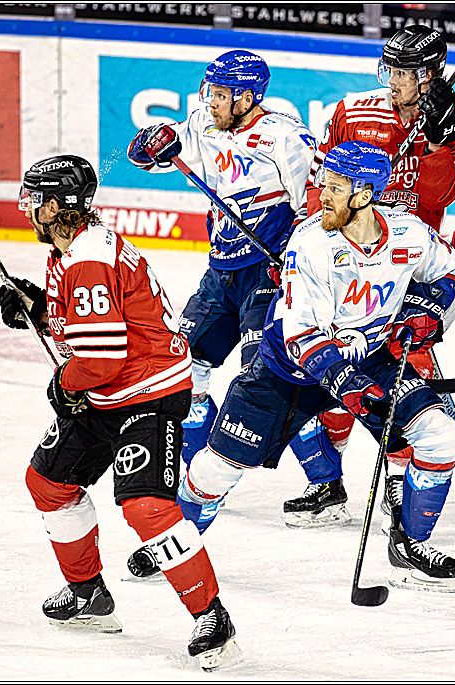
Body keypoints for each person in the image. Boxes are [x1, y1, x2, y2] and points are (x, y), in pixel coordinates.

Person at [177, 141, 455, 591]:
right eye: (323, 183)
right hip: (288, 372)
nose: (321, 194)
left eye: (334, 187)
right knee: (217, 469)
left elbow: (448, 271)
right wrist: (345, 380)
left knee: (439, 435)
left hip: (372, 359)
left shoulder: (409, 234)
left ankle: (409, 544)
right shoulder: (310, 243)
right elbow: (299, 336)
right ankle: (176, 544)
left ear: (365, 195)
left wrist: (426, 308)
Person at [0, 155, 240, 670]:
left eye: (36, 201)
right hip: (112, 392)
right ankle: (88, 595)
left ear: (59, 205)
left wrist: (64, 385)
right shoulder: (71, 251)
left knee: (145, 506)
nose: (29, 211)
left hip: (148, 392)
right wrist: (37, 307)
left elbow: (101, 359)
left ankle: (212, 617)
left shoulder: (86, 258)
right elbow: (87, 326)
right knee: (49, 483)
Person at [283, 24, 455, 529]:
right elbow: (319, 184)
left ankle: (397, 485)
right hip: (344, 259)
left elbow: (439, 199)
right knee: (331, 369)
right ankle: (327, 484)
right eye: (387, 67)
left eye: (404, 71)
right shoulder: (354, 109)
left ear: (430, 75)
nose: (391, 80)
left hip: (405, 268)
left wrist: (439, 144)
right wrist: (314, 240)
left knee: (397, 383)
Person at [127, 49, 317, 471]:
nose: (209, 100)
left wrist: (294, 260)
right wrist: (150, 144)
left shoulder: (286, 136)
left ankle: (324, 481)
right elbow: (149, 158)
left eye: (220, 93)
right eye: (208, 90)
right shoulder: (202, 124)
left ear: (247, 97)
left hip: (267, 273)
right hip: (221, 272)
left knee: (264, 379)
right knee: (183, 364)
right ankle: (197, 467)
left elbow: (315, 208)